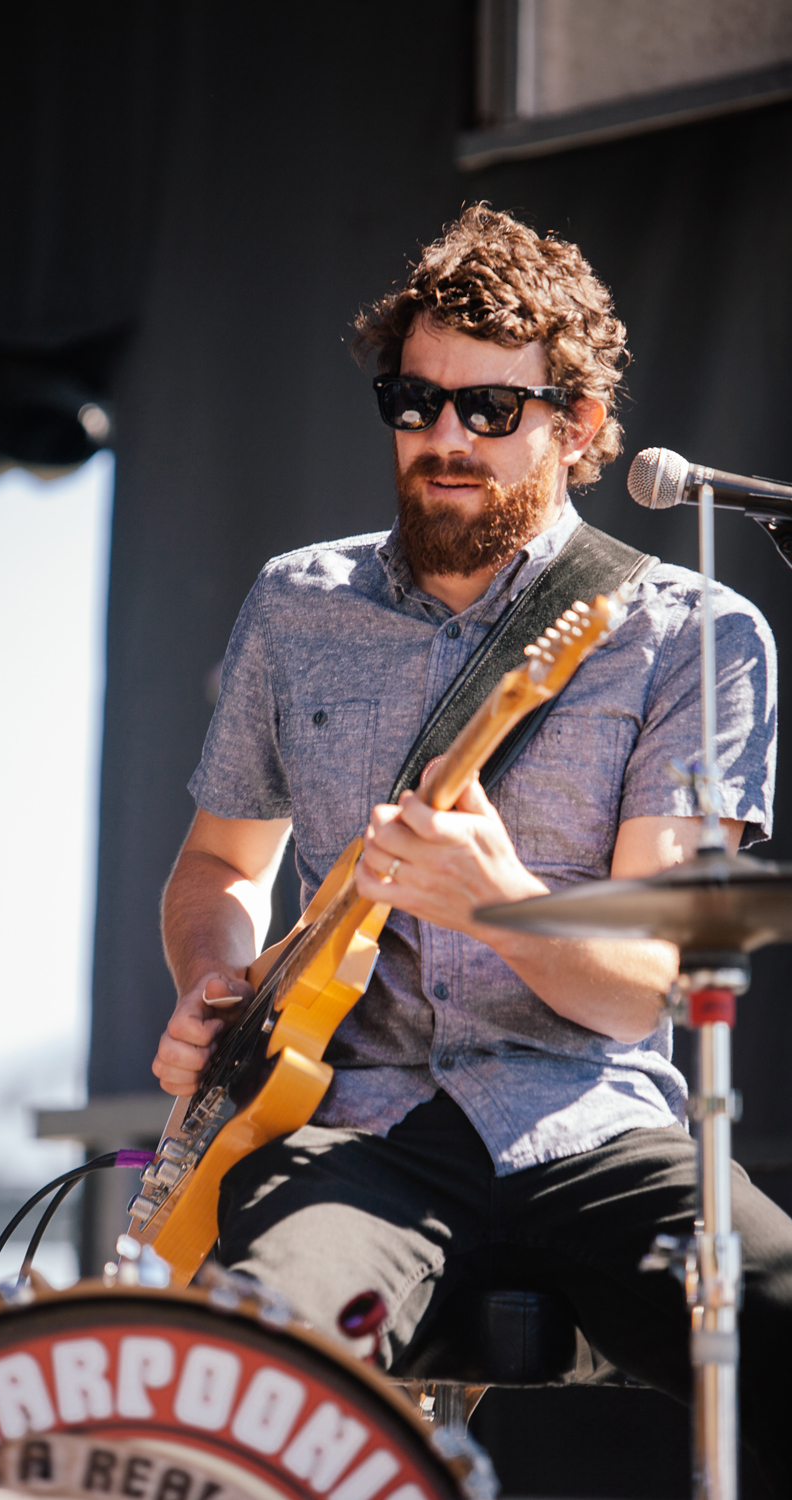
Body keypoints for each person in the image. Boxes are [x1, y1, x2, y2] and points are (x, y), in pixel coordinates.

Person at [151, 206, 791, 1490]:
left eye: (490, 411)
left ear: (579, 427)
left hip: (593, 1128)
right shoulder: (297, 602)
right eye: (414, 402)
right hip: (353, 1131)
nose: (444, 439)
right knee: (237, 1395)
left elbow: (650, 983)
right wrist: (214, 985)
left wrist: (498, 903)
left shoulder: (684, 633)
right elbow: (220, 866)